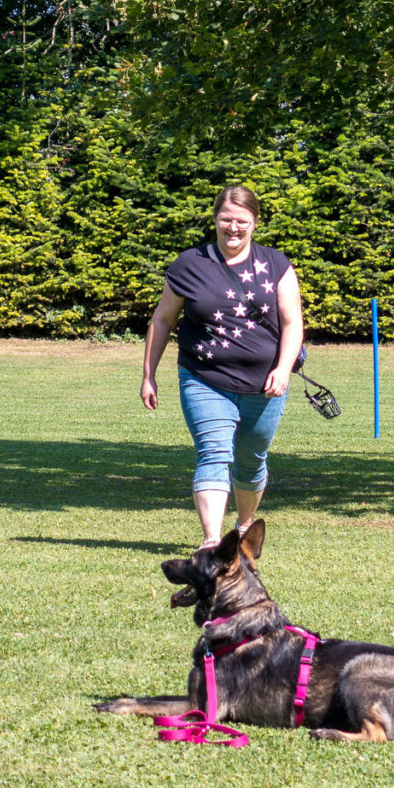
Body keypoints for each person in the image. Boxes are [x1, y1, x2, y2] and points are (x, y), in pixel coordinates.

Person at [140, 185, 304, 547]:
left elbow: (293, 322)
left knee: (251, 459)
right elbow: (163, 319)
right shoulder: (189, 264)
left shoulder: (276, 264)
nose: (233, 228)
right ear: (214, 219)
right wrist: (148, 375)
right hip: (204, 378)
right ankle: (213, 541)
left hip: (264, 384)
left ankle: (244, 526)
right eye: (226, 219)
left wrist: (282, 368)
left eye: (242, 221)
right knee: (213, 451)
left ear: (255, 222)